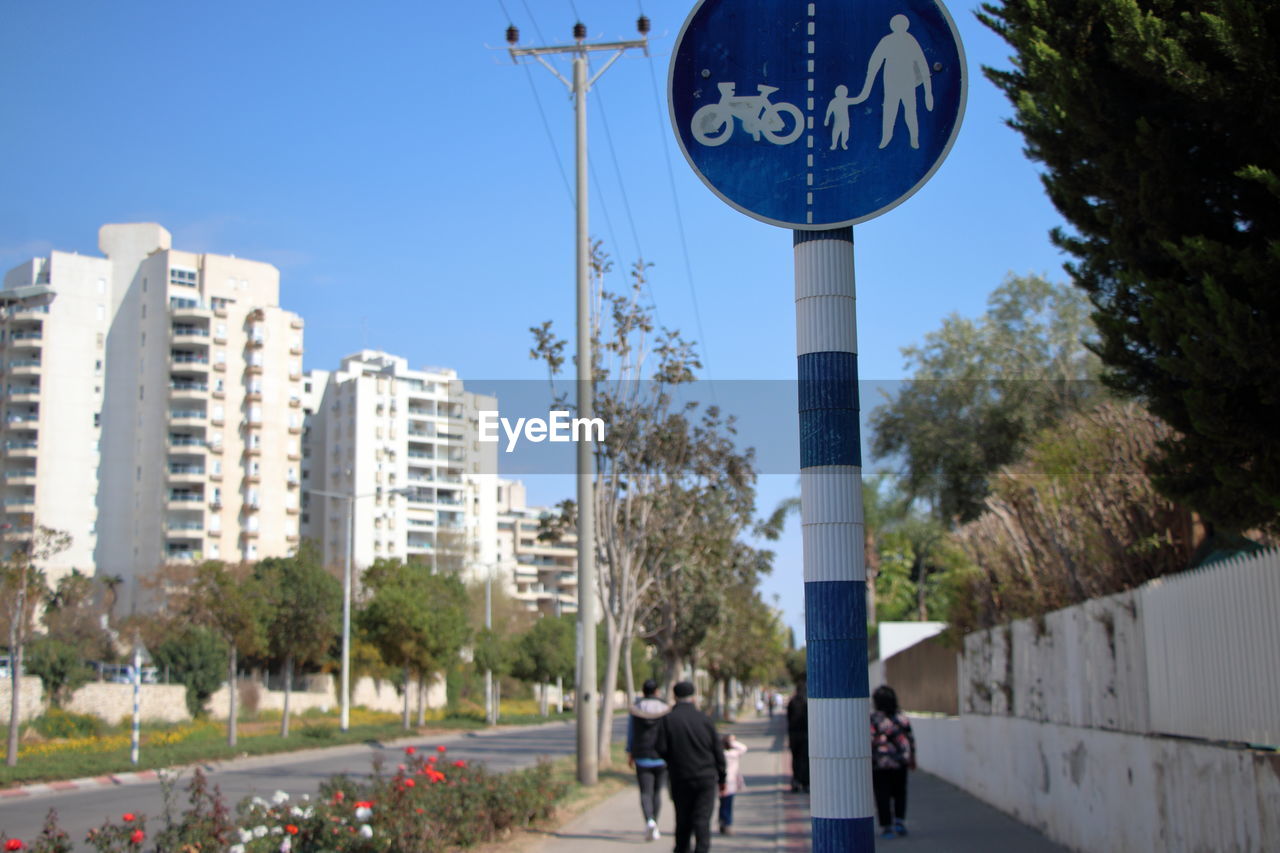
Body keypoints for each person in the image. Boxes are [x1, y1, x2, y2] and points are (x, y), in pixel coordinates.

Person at [655, 681, 726, 853]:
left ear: (675, 697)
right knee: (702, 821)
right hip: (706, 778)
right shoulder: (704, 719)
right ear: (693, 697)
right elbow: (717, 750)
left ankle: (682, 849)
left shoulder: (668, 720)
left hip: (680, 777)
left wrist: (674, 760)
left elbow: (660, 748)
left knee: (683, 820)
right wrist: (722, 776)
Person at [627, 678, 672, 842]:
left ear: (643, 691)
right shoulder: (665, 710)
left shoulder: (636, 709)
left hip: (642, 755)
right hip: (661, 757)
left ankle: (649, 820)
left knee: (645, 792)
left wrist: (630, 752)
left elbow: (631, 733)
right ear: (656, 692)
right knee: (657, 792)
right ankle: (655, 823)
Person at [870, 684, 917, 838]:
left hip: (880, 763)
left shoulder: (875, 719)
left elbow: (869, 740)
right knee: (900, 792)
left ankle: (886, 826)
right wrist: (912, 758)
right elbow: (910, 740)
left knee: (881, 794)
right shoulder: (902, 718)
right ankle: (899, 821)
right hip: (899, 762)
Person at [718, 733, 748, 836]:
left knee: (724, 803)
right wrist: (732, 741)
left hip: (721, 781)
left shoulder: (720, 753)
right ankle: (726, 823)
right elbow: (744, 748)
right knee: (727, 804)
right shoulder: (732, 754)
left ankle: (723, 822)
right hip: (729, 782)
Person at [786, 678, 809, 793]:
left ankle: (796, 781)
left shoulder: (792, 702)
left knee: (795, 759)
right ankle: (805, 782)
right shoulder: (807, 702)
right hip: (805, 735)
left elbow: (788, 719)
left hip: (793, 735)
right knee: (805, 759)